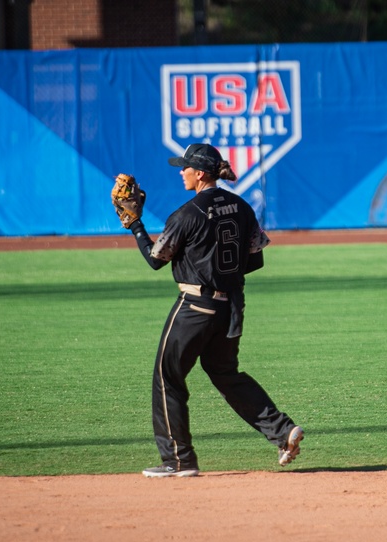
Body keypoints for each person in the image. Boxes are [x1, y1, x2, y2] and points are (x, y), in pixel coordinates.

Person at [119, 143, 303, 477]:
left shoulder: (185, 214)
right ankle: (282, 430)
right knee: (224, 372)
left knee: (167, 377)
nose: (181, 172)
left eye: (185, 167)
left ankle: (178, 461)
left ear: (199, 173)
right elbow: (256, 259)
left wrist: (135, 224)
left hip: (195, 307)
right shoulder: (242, 207)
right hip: (231, 307)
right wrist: (222, 273)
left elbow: (155, 260)